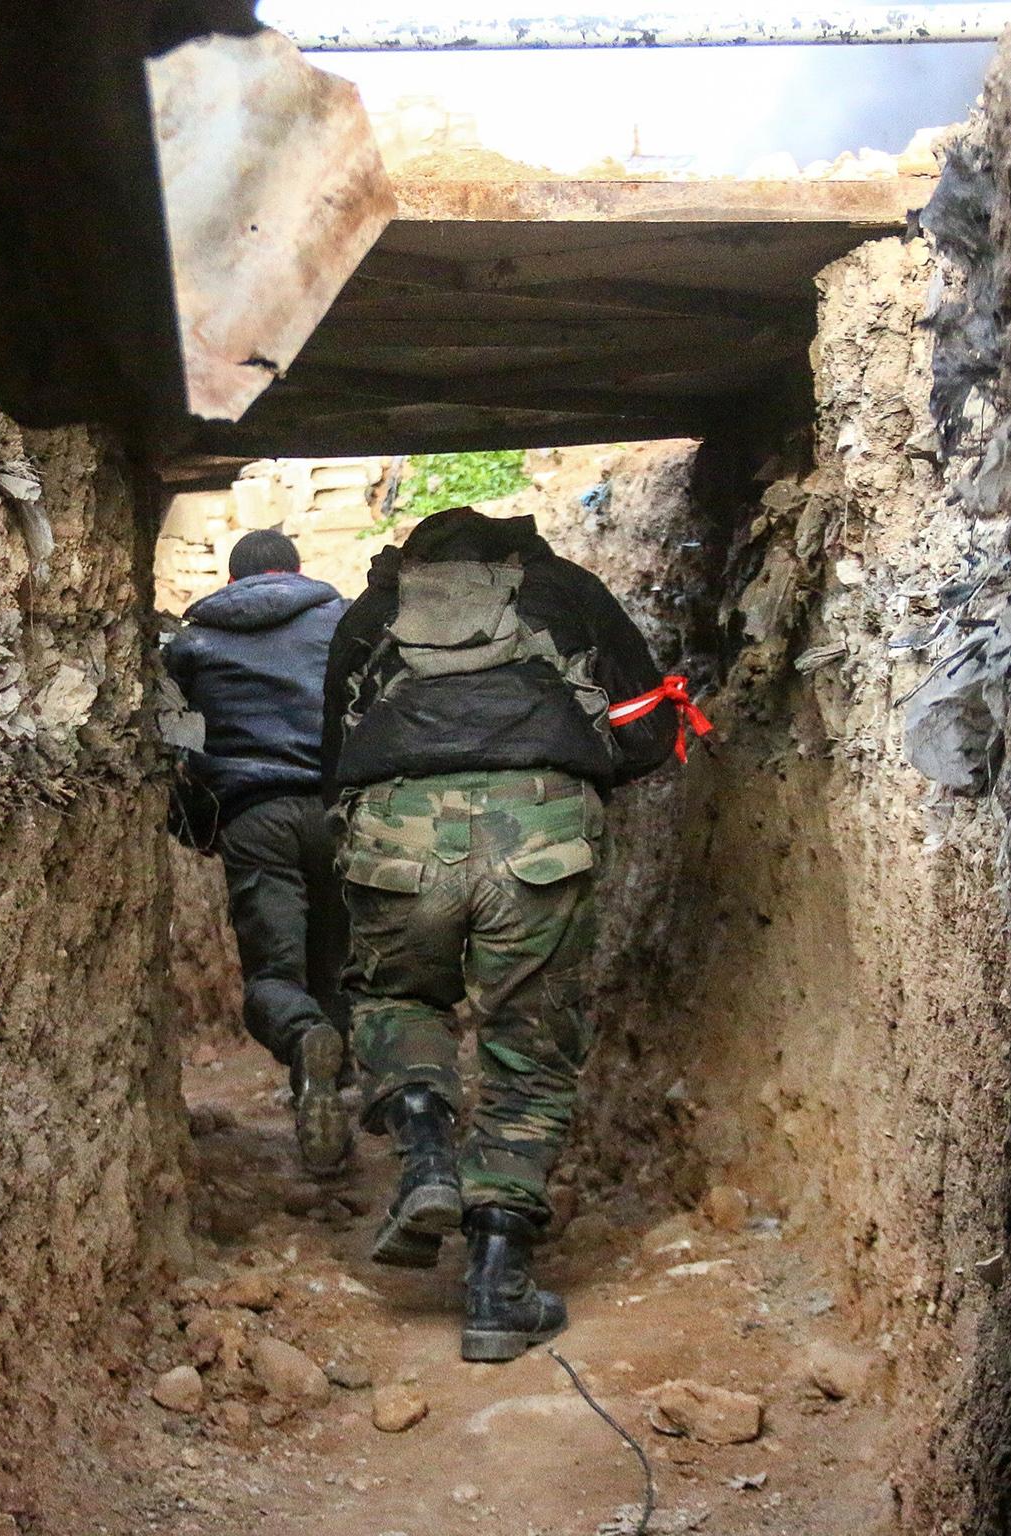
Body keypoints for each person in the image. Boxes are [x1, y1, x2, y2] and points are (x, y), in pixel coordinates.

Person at [320, 505, 693, 1362]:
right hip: (540, 827)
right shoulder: (567, 590)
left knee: (396, 995)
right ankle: (498, 1287)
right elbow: (648, 733)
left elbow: (330, 752)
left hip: (396, 828)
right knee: (530, 1044)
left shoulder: (371, 611)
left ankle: (425, 1157)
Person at [167, 529, 353, 1175]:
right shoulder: (344, 618)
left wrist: (192, 818)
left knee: (275, 978)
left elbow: (176, 741)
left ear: (230, 581)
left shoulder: (192, 643)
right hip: (341, 814)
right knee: (337, 967)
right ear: (297, 571)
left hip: (255, 817)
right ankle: (335, 1099)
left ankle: (306, 1043)